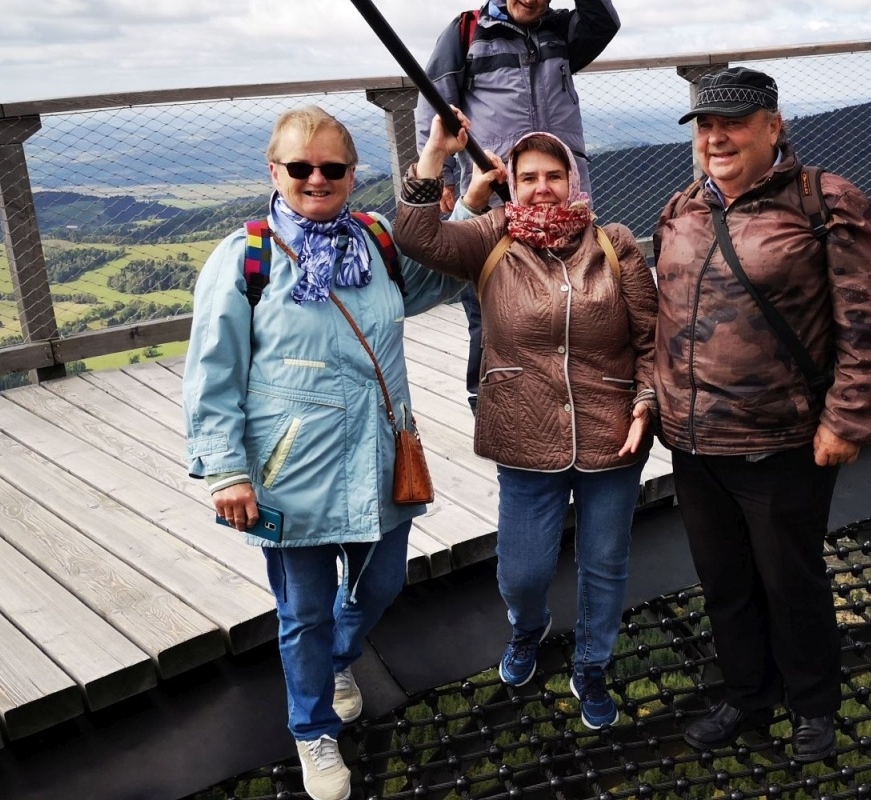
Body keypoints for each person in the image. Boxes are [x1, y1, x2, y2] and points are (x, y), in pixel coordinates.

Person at [182, 106, 466, 800]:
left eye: (332, 168)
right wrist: (225, 470)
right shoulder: (244, 257)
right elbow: (212, 371)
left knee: (382, 585)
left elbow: (435, 278)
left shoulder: (374, 242)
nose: (317, 179)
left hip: (379, 459)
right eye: (300, 167)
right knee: (302, 612)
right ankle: (312, 730)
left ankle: (337, 660)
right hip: (292, 476)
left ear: (351, 173)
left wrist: (455, 212)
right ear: (273, 171)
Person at [652, 67, 871, 763]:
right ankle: (746, 694)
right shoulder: (681, 208)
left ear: (772, 125)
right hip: (695, 442)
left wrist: (849, 419)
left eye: (732, 122)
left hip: (782, 440)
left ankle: (813, 704)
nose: (716, 137)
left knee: (791, 581)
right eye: (705, 125)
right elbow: (664, 317)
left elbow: (869, 322)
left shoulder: (826, 202)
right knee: (725, 584)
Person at [395, 111, 657, 731]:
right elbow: (417, 237)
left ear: (573, 179)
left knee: (604, 562)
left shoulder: (613, 243)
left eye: (555, 175)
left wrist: (646, 399)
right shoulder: (492, 237)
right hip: (523, 432)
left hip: (612, 430)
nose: (542, 187)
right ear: (510, 178)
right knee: (524, 568)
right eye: (529, 175)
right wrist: (435, 152)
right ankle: (526, 629)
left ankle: (592, 666)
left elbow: (650, 336)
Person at [417, 0, 622, 413]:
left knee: (572, 300)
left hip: (564, 199)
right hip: (496, 198)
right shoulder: (466, 33)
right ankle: (487, 401)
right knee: (490, 307)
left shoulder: (562, 30)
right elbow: (434, 106)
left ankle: (568, 395)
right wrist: (443, 176)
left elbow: (604, 20)